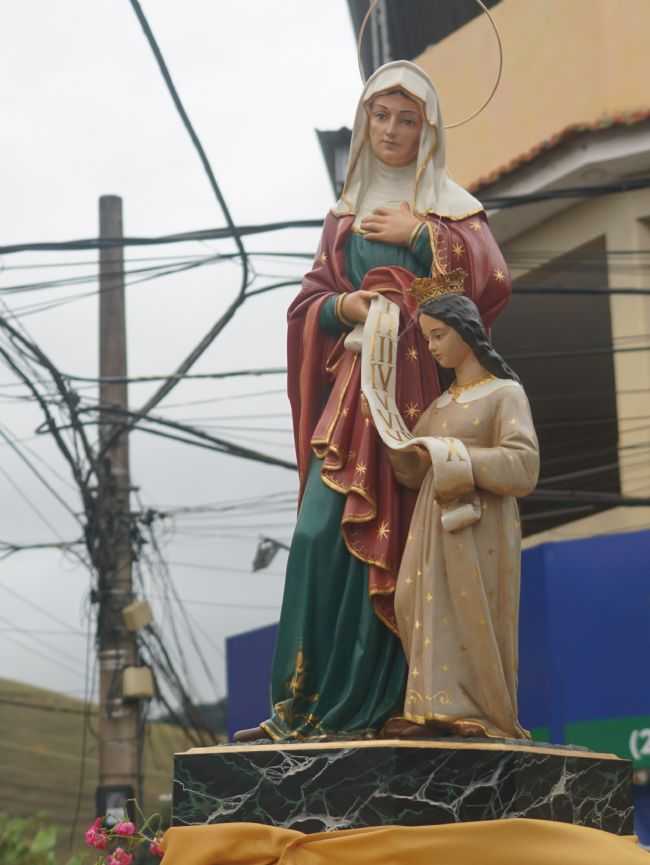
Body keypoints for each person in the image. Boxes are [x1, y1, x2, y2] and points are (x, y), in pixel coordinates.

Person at [235, 60, 512, 742]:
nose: (391, 131)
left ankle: (404, 699)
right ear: (364, 125)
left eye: (407, 119)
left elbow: (491, 283)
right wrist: (344, 303)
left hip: (418, 401)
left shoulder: (454, 208)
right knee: (315, 534)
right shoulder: (343, 215)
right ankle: (303, 705)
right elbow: (308, 302)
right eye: (380, 117)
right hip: (356, 395)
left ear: (428, 130)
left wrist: (421, 235)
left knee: (412, 544)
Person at [388, 291, 539, 739]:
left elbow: (524, 467)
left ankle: (476, 711)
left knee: (469, 611)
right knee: (412, 599)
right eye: (428, 337)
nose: (432, 346)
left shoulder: (504, 394)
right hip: (433, 529)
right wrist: (388, 435)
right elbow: (414, 472)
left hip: (479, 526)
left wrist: (454, 455)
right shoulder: (441, 404)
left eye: (439, 335)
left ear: (467, 333)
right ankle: (429, 706)